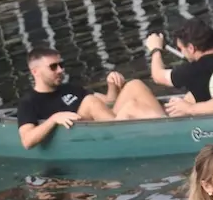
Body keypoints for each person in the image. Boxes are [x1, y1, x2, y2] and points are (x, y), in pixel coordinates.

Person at [17, 47, 165, 149]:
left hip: (109, 125)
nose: (60, 70)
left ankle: (169, 125)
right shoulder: (29, 102)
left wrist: (112, 85)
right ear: (35, 71)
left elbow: (107, 103)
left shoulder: (70, 88)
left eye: (61, 65)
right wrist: (53, 119)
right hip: (95, 138)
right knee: (92, 102)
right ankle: (164, 130)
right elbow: (27, 141)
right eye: (53, 67)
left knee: (134, 85)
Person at [145, 18, 213, 103]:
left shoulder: (191, 71)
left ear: (191, 48)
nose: (182, 52)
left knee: (135, 86)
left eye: (181, 48)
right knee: (189, 97)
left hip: (212, 118)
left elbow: (158, 76)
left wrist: (155, 50)